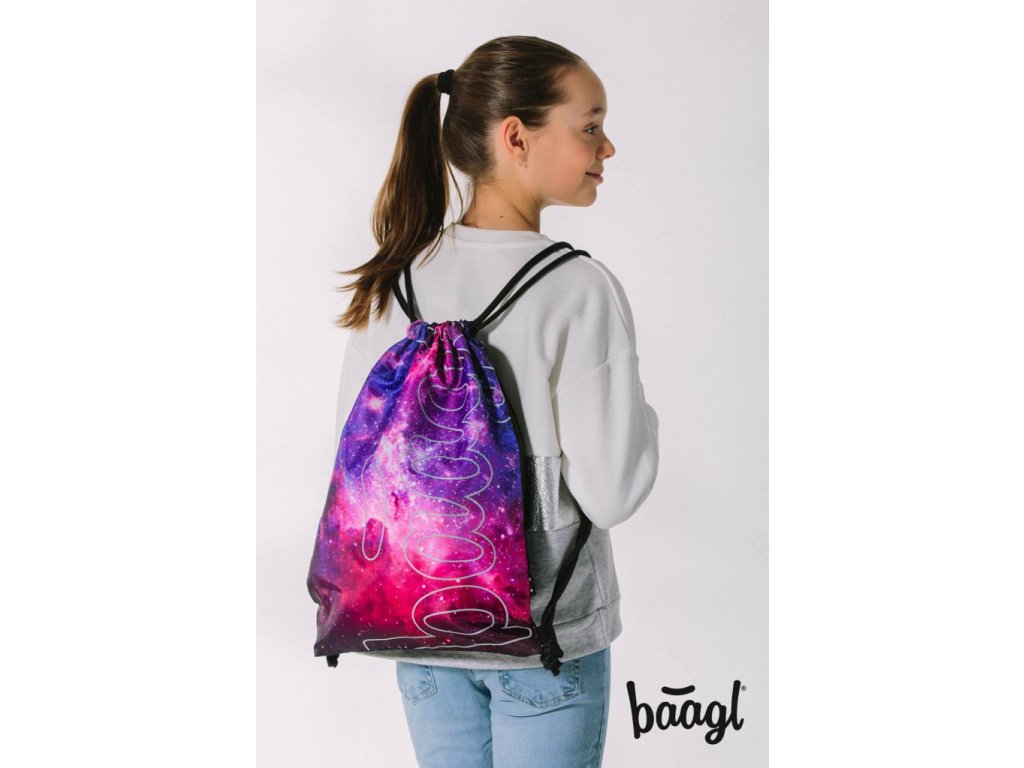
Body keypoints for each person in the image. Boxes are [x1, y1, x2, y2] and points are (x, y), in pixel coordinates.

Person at [329, 35, 659, 768]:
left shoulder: (395, 279)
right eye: (590, 127)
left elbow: (355, 469)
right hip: (544, 644)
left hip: (419, 634)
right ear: (517, 137)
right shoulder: (577, 287)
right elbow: (613, 491)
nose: (607, 147)